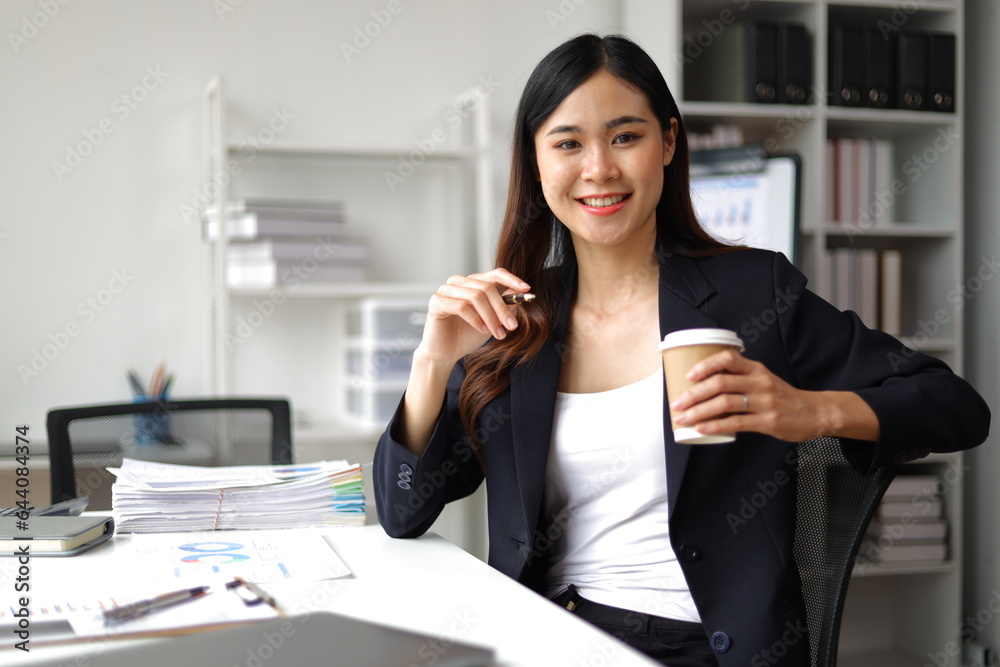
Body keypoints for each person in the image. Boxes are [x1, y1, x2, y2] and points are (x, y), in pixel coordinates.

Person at [373, 33, 990, 666]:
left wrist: (811, 412)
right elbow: (401, 511)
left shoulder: (753, 294)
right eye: (567, 143)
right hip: (544, 634)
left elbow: (956, 406)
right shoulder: (515, 322)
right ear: (535, 162)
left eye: (625, 136)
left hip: (693, 646)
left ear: (667, 142)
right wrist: (432, 361)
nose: (599, 169)